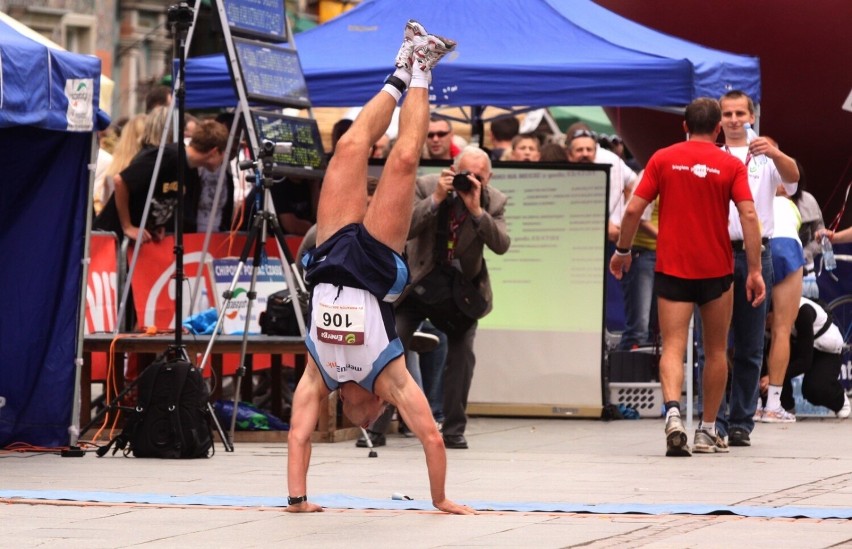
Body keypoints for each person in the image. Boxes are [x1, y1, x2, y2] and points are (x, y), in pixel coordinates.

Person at [287, 20, 473, 515]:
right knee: (404, 161)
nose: (368, 419)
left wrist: (297, 499)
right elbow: (432, 438)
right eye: (376, 420)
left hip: (329, 256)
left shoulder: (318, 376)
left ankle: (398, 69)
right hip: (372, 266)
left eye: (367, 421)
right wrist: (440, 499)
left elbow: (299, 435)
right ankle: (421, 71)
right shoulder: (389, 379)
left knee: (348, 147)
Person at [611, 97, 766, 457]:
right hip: (717, 269)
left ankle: (673, 413)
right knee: (715, 351)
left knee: (674, 347)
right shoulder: (729, 163)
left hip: (673, 267)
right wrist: (755, 270)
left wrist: (622, 252)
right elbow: (749, 216)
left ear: (683, 125)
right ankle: (708, 430)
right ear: (717, 129)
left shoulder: (663, 158)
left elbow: (634, 208)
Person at [716, 90, 799, 447]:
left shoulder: (764, 157)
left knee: (750, 344)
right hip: (718, 252)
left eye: (739, 113)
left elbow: (793, 181)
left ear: (751, 116)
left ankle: (740, 422)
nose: (734, 120)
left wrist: (775, 151)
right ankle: (713, 420)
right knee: (715, 343)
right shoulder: (712, 154)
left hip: (757, 253)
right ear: (719, 119)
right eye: (727, 114)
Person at [93, 115, 229, 242]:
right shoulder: (168, 155)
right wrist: (127, 226)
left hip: (136, 239)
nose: (224, 160)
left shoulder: (191, 169)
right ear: (214, 152)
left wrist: (155, 225)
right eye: (224, 153)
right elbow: (120, 181)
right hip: (111, 237)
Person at [758, 189, 805, 423]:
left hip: (754, 243)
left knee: (746, 331)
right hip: (785, 244)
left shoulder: (751, 193)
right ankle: (773, 405)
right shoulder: (791, 205)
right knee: (782, 330)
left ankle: (752, 404)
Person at [759, 297, 850, 418]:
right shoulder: (768, 323)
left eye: (767, 319)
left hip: (825, 350)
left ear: (775, 312)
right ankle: (784, 407)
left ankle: (840, 401)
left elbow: (804, 362)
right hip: (798, 345)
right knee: (773, 361)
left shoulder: (803, 312)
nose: (764, 323)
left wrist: (772, 377)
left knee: (813, 389)